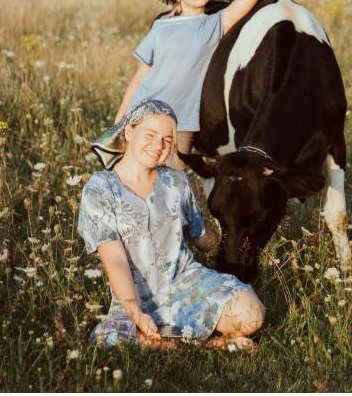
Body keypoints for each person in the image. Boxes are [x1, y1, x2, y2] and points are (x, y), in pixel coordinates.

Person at [79, 98, 265, 351]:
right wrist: (135, 312)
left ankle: (166, 341)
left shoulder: (176, 182)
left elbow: (201, 237)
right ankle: (212, 343)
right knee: (108, 342)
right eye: (151, 134)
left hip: (185, 283)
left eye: (167, 140)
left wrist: (239, 238)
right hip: (136, 294)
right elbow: (115, 260)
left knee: (251, 314)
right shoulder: (100, 188)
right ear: (130, 131)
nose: (158, 146)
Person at [114, 0, 264, 167]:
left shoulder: (214, 24)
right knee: (133, 179)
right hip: (143, 115)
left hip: (180, 122)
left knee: (171, 185)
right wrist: (120, 118)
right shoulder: (161, 26)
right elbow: (141, 74)